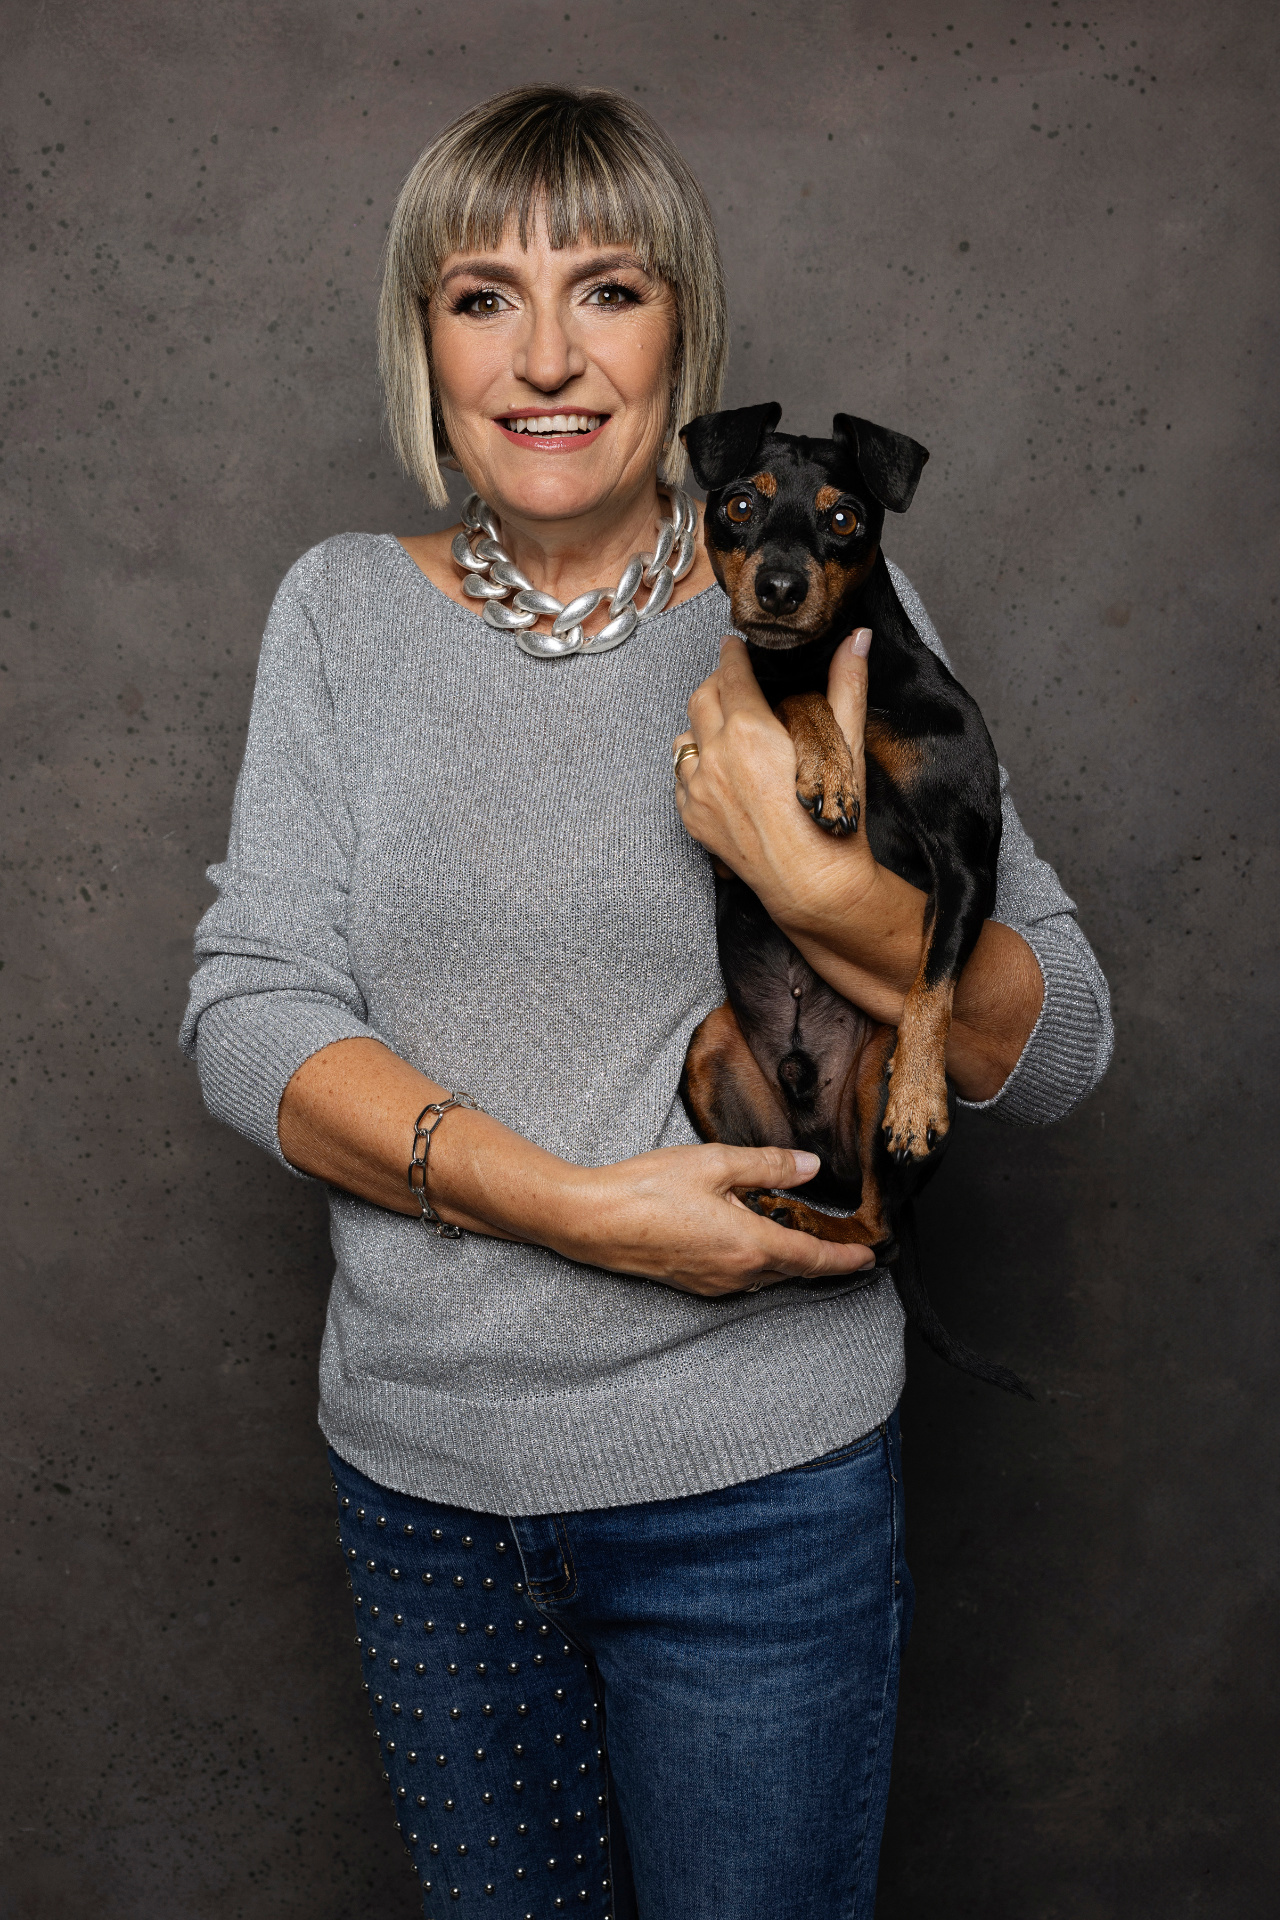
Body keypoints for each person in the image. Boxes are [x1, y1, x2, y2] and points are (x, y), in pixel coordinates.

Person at [180, 85, 1112, 1920]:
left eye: (605, 291)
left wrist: (818, 877)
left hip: (756, 1493)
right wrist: (579, 1209)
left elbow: (1059, 1041)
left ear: (683, 334)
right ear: (422, 340)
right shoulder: (339, 617)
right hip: (427, 1491)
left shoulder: (817, 593)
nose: (545, 356)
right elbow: (246, 1015)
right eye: (480, 297)